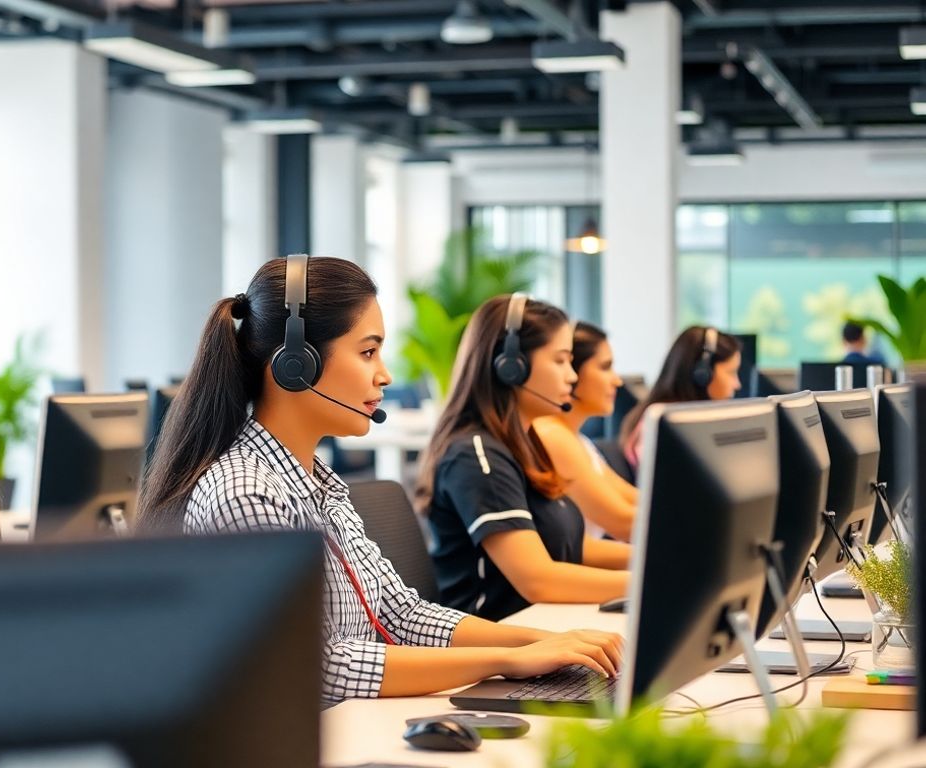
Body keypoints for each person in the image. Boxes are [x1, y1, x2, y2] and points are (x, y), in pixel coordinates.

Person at [138, 256, 622, 706]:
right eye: (368, 352)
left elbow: (401, 613)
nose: (385, 375)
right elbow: (320, 668)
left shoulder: (319, 483)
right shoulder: (245, 492)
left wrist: (545, 643)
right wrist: (505, 661)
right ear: (295, 364)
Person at [418, 296, 630, 621]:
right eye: (560, 361)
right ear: (511, 367)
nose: (572, 377)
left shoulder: (525, 443)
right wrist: (648, 582)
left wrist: (652, 560)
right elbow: (537, 580)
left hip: (540, 624)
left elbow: (571, 546)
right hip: (497, 635)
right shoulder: (476, 455)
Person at [531, 321, 638, 542]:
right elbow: (624, 523)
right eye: (605, 367)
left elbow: (634, 499)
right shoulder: (552, 435)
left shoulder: (578, 440)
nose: (617, 381)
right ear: (574, 372)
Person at [619, 326, 742, 470]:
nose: (737, 384)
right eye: (731, 372)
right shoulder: (665, 425)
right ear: (703, 374)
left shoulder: (693, 422)